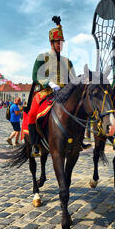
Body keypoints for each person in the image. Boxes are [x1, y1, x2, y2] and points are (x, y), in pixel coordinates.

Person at [28, 16, 77, 156]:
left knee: (77, 109)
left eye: (62, 43)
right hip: (46, 92)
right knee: (32, 114)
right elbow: (35, 76)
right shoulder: (41, 57)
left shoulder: (67, 61)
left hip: (64, 92)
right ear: (52, 43)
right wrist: (48, 82)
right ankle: (34, 144)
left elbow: (73, 78)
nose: (60, 45)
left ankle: (77, 140)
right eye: (58, 43)